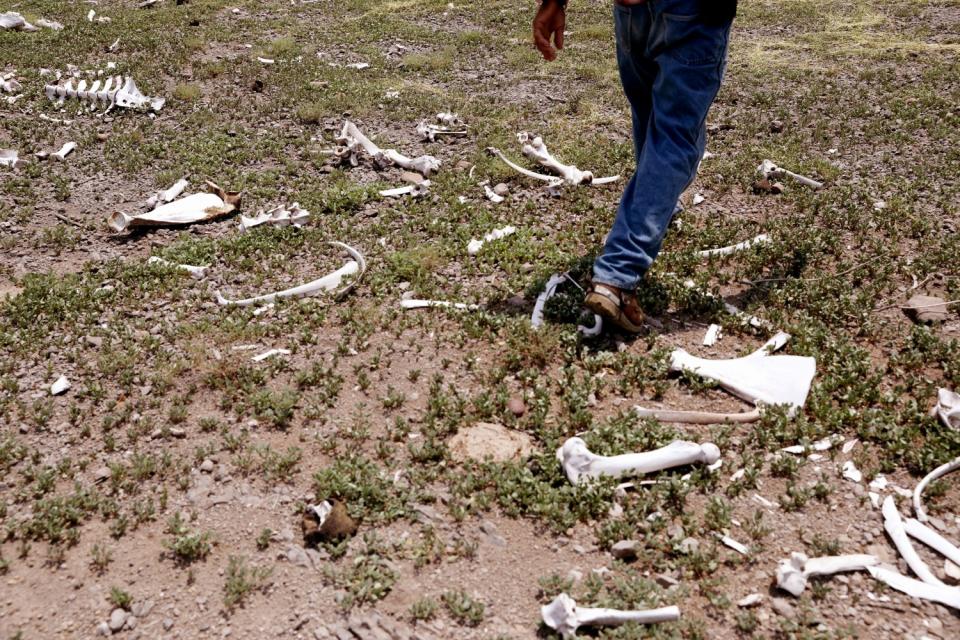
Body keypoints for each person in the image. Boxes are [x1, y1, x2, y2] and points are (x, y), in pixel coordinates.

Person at [533, 0, 737, 332]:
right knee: (675, 137)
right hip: (690, 12)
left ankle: (658, 211)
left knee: (650, 113)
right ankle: (617, 275)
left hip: (633, 12)